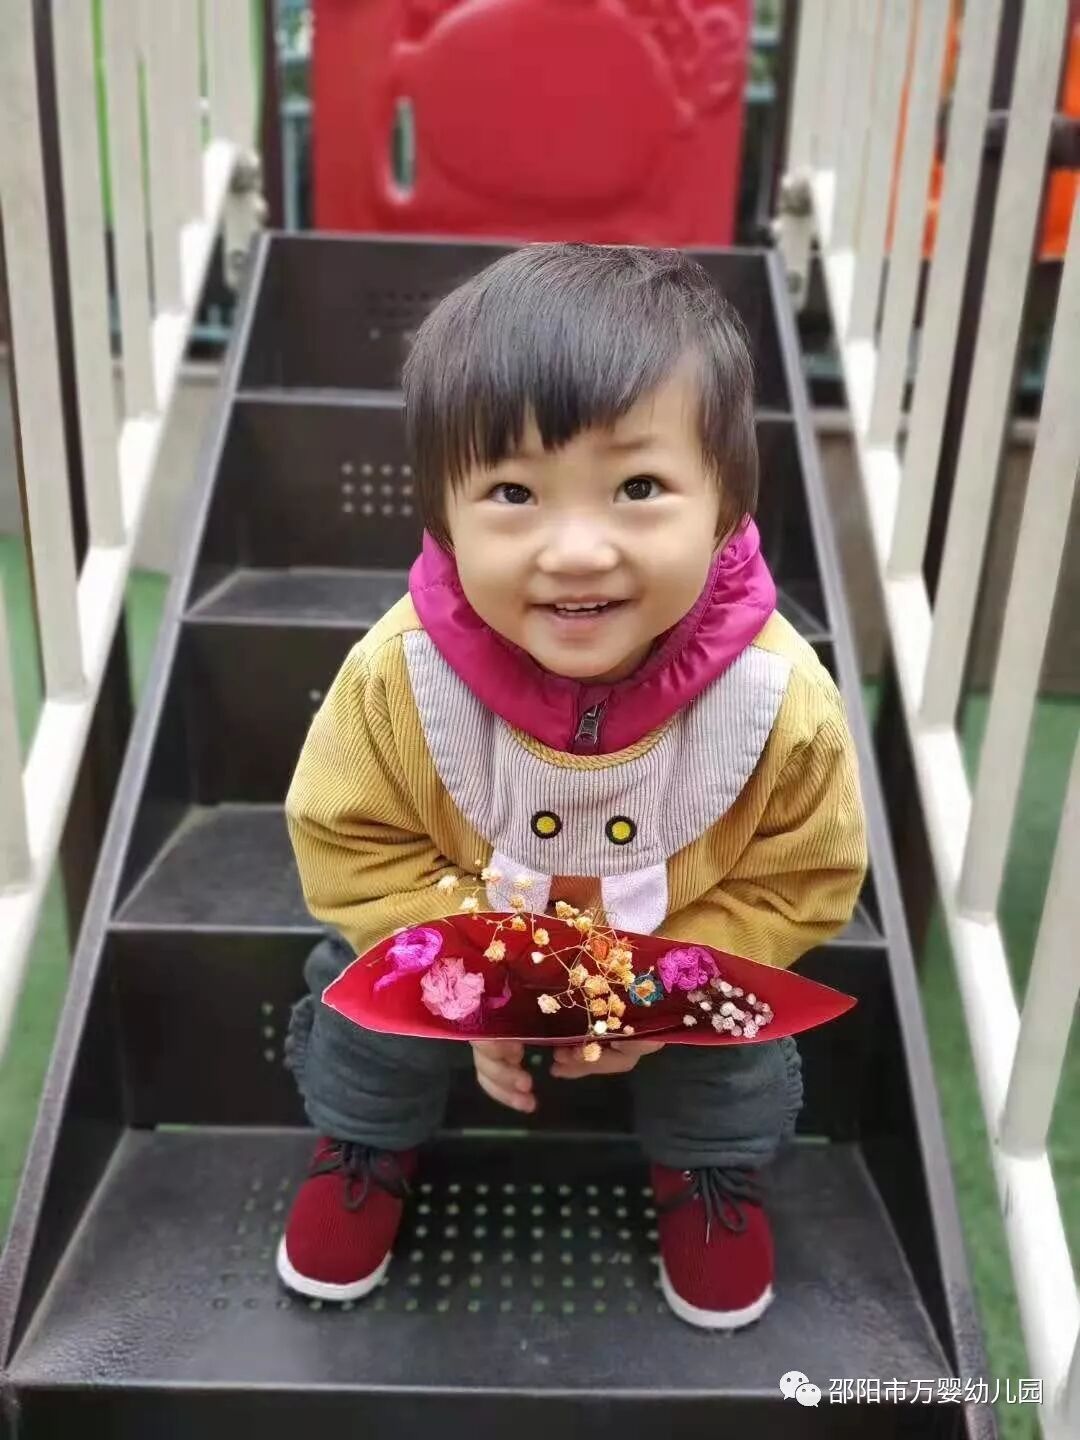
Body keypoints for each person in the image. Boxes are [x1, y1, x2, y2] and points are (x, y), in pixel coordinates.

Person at [276, 243, 867, 1329]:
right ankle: (366, 1142)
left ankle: (708, 1169)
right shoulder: (398, 677)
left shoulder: (778, 697)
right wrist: (469, 979)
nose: (579, 550)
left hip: (669, 959)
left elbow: (803, 881)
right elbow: (350, 844)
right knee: (361, 992)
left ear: (727, 500)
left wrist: (664, 991)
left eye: (639, 488)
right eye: (513, 492)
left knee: (736, 1033)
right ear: (443, 514)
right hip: (462, 937)